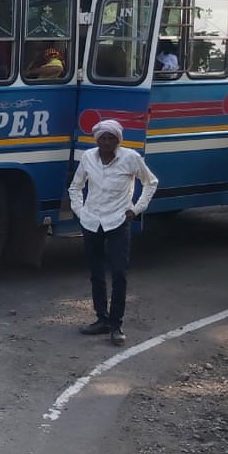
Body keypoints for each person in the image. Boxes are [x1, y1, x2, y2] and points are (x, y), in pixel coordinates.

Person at [68, 119, 159, 347]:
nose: (107, 143)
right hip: (92, 222)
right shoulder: (88, 157)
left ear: (118, 141)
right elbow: (75, 186)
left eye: (111, 139)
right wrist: (80, 211)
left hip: (118, 221)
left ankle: (116, 324)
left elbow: (150, 182)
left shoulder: (130, 158)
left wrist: (136, 209)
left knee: (119, 272)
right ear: (97, 140)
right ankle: (102, 319)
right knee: (96, 272)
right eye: (103, 138)